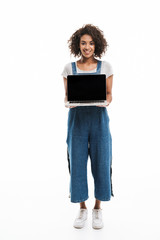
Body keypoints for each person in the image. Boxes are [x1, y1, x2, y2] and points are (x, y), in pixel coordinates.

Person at [61, 24, 114, 229]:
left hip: (99, 121)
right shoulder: (69, 68)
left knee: (101, 163)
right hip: (77, 122)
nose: (87, 47)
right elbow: (66, 96)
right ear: (78, 45)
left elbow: (109, 94)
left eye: (91, 43)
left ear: (96, 45)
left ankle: (97, 209)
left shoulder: (106, 67)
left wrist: (106, 102)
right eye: (83, 43)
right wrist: (68, 103)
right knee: (77, 164)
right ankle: (82, 208)